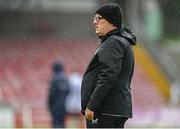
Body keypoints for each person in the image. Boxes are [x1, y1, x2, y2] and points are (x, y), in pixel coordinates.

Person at [81, 3, 137, 128]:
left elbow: (108, 75)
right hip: (114, 109)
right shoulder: (121, 41)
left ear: (111, 22)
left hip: (105, 110)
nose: (94, 22)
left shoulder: (113, 42)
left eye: (99, 18)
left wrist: (91, 105)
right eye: (94, 18)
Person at [48, 61, 70, 128]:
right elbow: (69, 92)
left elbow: (51, 94)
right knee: (63, 124)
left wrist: (49, 105)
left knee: (56, 125)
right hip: (64, 106)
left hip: (55, 107)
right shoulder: (66, 79)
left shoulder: (54, 79)